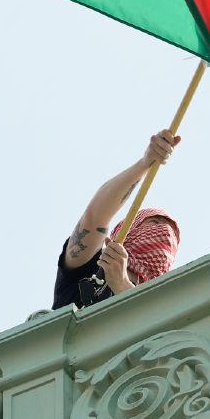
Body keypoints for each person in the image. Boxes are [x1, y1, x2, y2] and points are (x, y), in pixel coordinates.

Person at [52, 130, 182, 310]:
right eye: (154, 223)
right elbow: (96, 215)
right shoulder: (89, 268)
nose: (165, 234)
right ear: (128, 231)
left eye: (173, 238)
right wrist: (146, 162)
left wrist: (122, 285)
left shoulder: (160, 305)